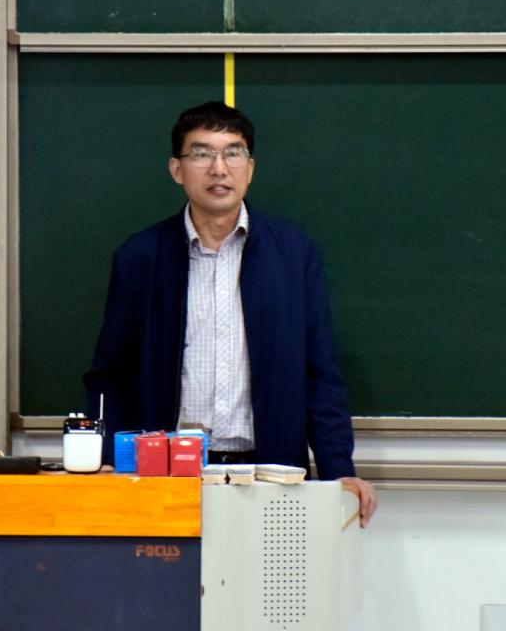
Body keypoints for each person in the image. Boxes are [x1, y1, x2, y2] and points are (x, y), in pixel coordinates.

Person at [84, 101, 377, 526]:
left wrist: (338, 470)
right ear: (176, 169)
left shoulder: (293, 254)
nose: (219, 168)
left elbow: (320, 374)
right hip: (166, 477)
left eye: (232, 153)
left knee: (269, 574)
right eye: (201, 154)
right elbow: (110, 375)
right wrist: (105, 458)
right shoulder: (140, 256)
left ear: (250, 168)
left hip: (272, 475)